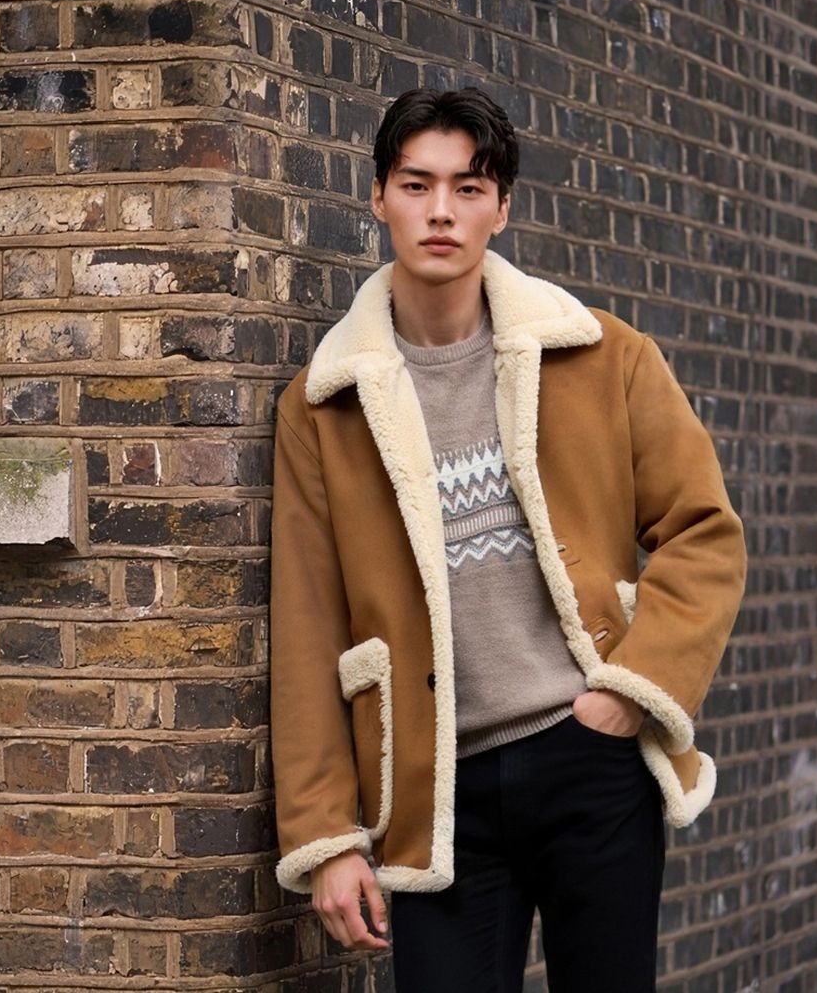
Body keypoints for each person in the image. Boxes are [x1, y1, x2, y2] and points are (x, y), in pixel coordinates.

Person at [270, 87, 747, 993]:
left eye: (468, 187)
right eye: (417, 185)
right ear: (378, 198)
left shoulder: (603, 355)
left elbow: (704, 532)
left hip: (588, 759)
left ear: (502, 208)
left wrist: (628, 695)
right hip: (435, 795)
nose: (441, 211)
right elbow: (305, 626)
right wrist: (326, 837)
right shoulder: (324, 405)